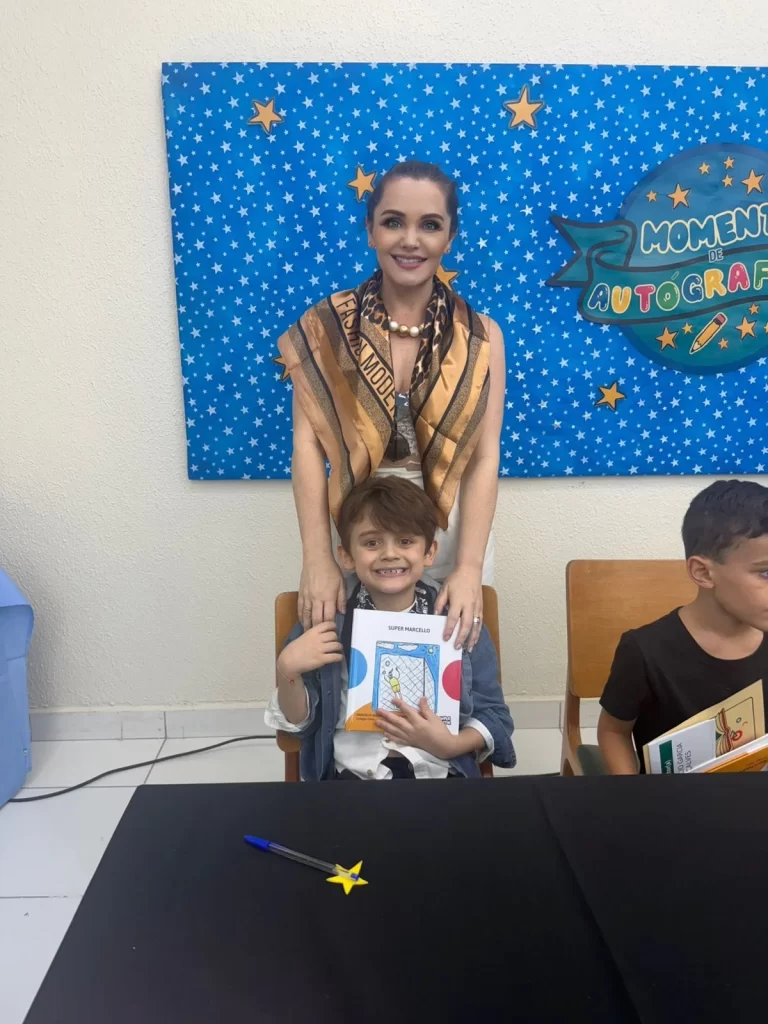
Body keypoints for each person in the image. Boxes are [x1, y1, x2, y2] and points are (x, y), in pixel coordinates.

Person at [276, 160, 505, 651]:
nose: (410, 240)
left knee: (449, 677)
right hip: (356, 533)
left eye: (430, 225)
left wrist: (468, 567)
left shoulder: (482, 337)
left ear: (450, 238)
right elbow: (305, 446)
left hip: (446, 535)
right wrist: (317, 555)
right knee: (341, 662)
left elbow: (484, 458)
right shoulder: (325, 326)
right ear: (371, 231)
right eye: (393, 221)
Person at [265, 476, 515, 781]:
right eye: (372, 542)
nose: (389, 553)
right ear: (345, 555)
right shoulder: (327, 615)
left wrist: (452, 745)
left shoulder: (457, 616)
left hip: (439, 770)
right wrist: (287, 671)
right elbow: (298, 723)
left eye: (405, 541)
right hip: (353, 774)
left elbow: (495, 715)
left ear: (429, 552)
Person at [598, 479, 768, 775]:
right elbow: (613, 733)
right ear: (703, 572)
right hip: (674, 808)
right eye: (765, 572)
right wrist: (629, 797)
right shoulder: (644, 651)